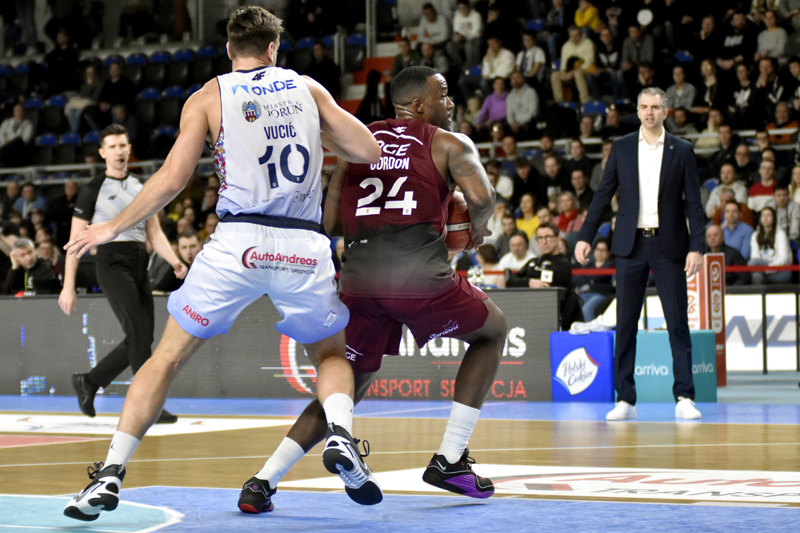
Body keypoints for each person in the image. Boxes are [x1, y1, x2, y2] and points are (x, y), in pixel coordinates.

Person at [61, 7, 383, 521]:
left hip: (237, 242)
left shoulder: (208, 96)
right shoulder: (306, 88)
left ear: (230, 50)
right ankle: (341, 434)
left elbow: (172, 179)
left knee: (165, 358)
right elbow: (366, 149)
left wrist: (109, 226)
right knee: (329, 354)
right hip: (301, 244)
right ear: (274, 48)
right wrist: (315, 133)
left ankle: (110, 473)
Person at [247, 65, 506, 507]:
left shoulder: (356, 141)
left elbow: (330, 222)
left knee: (344, 387)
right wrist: (474, 231)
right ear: (419, 105)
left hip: (359, 281)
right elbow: (482, 199)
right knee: (493, 332)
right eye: (443, 95)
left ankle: (263, 481)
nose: (450, 103)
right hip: (419, 277)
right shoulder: (449, 142)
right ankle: (450, 457)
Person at [575, 87, 705, 422]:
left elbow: (694, 204)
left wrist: (697, 247)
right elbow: (603, 195)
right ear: (637, 111)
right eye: (644, 107)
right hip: (630, 246)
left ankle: (684, 396)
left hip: (669, 245)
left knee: (677, 323)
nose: (649, 112)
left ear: (665, 111)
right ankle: (625, 399)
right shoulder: (621, 147)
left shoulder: (682, 149)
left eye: (655, 107)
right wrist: (585, 236)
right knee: (626, 324)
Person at [59, 124, 185, 426]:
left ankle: (89, 381)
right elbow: (74, 242)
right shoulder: (92, 190)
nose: (119, 151)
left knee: (143, 336)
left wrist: (175, 261)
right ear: (102, 153)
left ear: (129, 149)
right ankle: (147, 406)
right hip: (111, 261)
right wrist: (68, 286)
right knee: (139, 333)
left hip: (139, 260)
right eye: (112, 147)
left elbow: (154, 232)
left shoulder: (142, 185)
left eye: (122, 146)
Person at [507, 222, 583, 329]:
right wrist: (529, 282)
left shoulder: (564, 263)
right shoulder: (533, 262)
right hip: (535, 316)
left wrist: (528, 280)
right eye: (540, 238)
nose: (544, 242)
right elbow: (510, 281)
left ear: (558, 238)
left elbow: (546, 286)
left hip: (560, 319)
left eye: (548, 237)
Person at [551, 25, 595, 104]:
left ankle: (585, 101)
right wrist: (564, 72)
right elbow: (564, 64)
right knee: (555, 75)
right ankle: (559, 102)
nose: (574, 38)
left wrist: (572, 72)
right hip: (570, 71)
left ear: (581, 35)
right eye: (572, 36)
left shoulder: (588, 43)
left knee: (577, 73)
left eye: (576, 36)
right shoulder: (566, 46)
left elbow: (589, 62)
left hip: (586, 69)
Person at [749, 206, 793, 284]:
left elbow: (784, 259)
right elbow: (755, 257)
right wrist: (763, 269)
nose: (765, 218)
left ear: (774, 219)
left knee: (753, 265)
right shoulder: (755, 235)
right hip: (763, 267)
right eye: (763, 215)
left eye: (768, 216)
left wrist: (768, 269)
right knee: (756, 274)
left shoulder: (780, 234)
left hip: (781, 270)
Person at [574, 237, 615, 320]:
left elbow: (598, 276)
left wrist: (588, 279)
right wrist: (590, 280)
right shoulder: (589, 265)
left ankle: (590, 328)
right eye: (598, 249)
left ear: (609, 252)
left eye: (603, 250)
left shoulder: (611, 265)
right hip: (585, 293)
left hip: (601, 294)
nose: (600, 252)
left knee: (587, 309)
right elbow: (576, 278)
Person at [0, 103, 34, 168]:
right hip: (4, 146)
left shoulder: (28, 125)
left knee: (17, 140)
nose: (19, 112)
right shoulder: (6, 122)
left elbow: (25, 140)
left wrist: (10, 142)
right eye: (17, 111)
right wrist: (5, 141)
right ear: (14, 112)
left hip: (18, 149)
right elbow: (1, 135)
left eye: (21, 110)